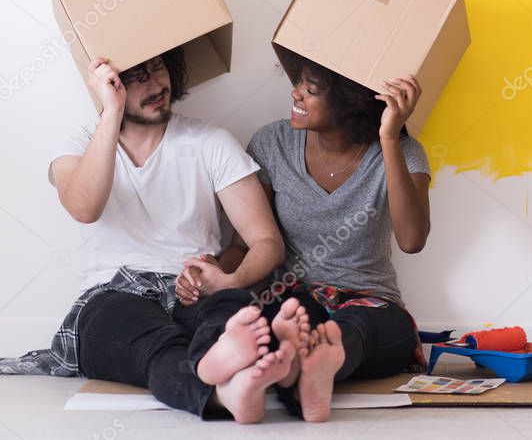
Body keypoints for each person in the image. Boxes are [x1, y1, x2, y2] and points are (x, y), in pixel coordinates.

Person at [0, 49, 307, 423]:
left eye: (159, 68)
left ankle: (230, 381)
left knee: (232, 311)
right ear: (110, 86)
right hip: (112, 296)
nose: (156, 84)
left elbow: (266, 241)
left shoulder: (210, 140)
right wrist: (110, 113)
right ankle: (221, 391)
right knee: (153, 342)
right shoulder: (80, 143)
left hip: (193, 290)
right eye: (136, 77)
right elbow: (84, 207)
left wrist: (228, 279)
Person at [177, 48, 431, 422]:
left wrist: (389, 137)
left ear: (349, 102)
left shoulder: (403, 153)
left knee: (355, 327)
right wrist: (211, 273)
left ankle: (317, 361)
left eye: (310, 89)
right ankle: (305, 370)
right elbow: (242, 244)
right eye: (297, 84)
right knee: (294, 318)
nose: (295, 94)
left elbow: (412, 240)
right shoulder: (272, 144)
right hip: (292, 301)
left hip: (370, 305)